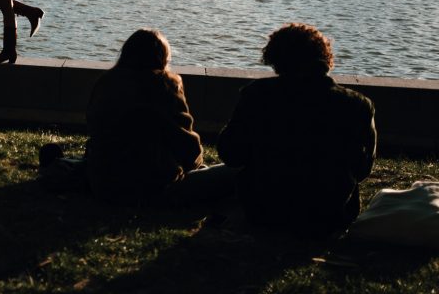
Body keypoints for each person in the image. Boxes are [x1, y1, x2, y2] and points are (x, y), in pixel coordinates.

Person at [217, 23, 377, 236]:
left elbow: (231, 154)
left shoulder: (256, 96)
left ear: (275, 58)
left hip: (263, 211)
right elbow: (362, 169)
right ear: (325, 58)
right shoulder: (357, 104)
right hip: (330, 215)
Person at [83, 29, 205, 203]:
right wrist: (197, 161)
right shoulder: (166, 85)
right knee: (229, 173)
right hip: (154, 186)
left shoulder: (105, 83)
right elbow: (188, 149)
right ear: (162, 58)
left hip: (103, 184)